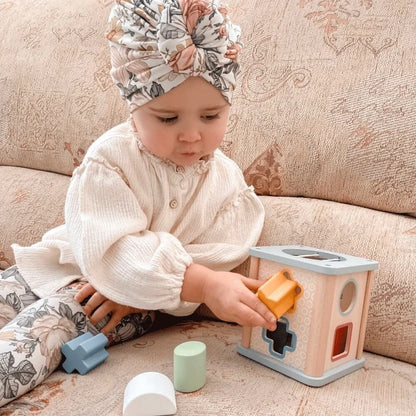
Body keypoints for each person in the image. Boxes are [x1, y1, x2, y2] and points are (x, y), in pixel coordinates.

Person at [0, 0, 276, 407]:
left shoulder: (227, 183)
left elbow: (220, 251)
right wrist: (193, 280)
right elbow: (110, 249)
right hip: (57, 264)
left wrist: (161, 285)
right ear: (134, 105)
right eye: (168, 119)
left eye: (210, 116)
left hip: (111, 305)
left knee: (31, 340)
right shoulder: (110, 159)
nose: (191, 136)